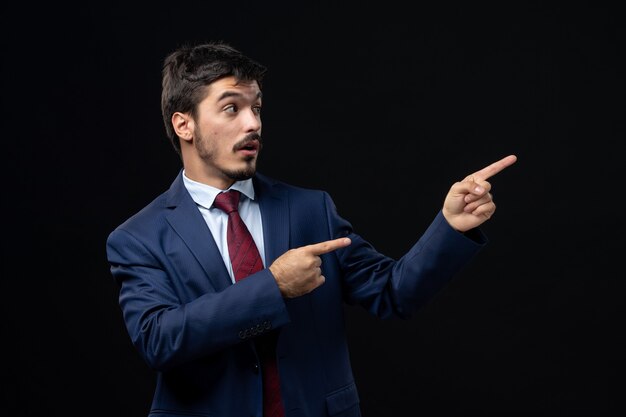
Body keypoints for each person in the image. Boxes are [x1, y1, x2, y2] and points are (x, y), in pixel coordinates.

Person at [105, 40, 517, 417]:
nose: (253, 124)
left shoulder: (309, 209)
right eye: (232, 108)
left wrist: (450, 225)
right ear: (184, 125)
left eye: (258, 108)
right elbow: (159, 340)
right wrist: (274, 286)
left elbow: (394, 293)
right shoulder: (138, 237)